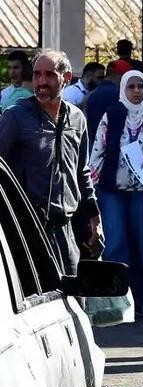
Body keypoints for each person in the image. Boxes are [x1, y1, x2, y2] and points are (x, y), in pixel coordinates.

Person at [0, 49, 102, 275]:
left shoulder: (77, 119)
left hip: (65, 230)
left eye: (49, 75)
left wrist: (95, 219)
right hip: (25, 232)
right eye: (37, 74)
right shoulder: (15, 117)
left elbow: (82, 173)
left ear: (66, 78)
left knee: (72, 291)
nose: (41, 82)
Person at [89, 70, 143, 314]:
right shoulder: (112, 116)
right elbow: (97, 152)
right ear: (123, 90)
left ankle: (138, 302)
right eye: (131, 87)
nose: (136, 91)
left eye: (140, 87)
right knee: (115, 244)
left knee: (141, 247)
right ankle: (116, 303)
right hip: (112, 191)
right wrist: (90, 190)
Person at [85, 60, 133, 147]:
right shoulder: (118, 94)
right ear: (121, 77)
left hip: (94, 144)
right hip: (113, 145)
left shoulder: (91, 94)